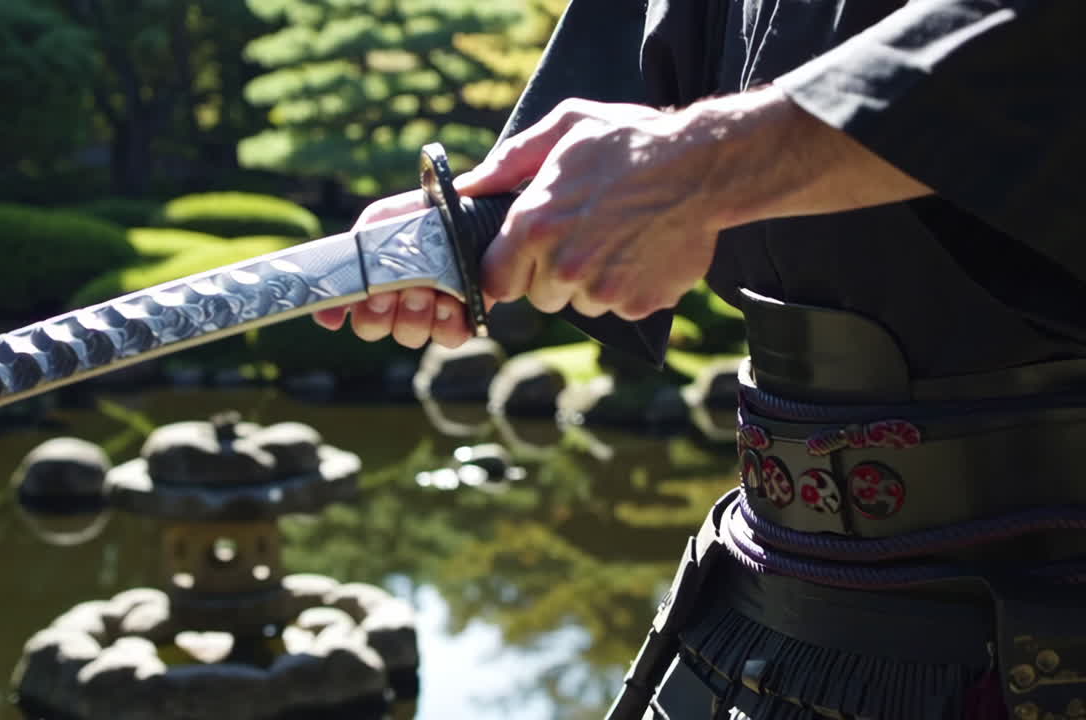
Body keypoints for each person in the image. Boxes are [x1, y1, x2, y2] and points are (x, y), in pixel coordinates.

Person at [315, 1, 1085, 717]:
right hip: (754, 614)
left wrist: (702, 167)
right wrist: (498, 223)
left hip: (1041, 629)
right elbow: (639, 73)